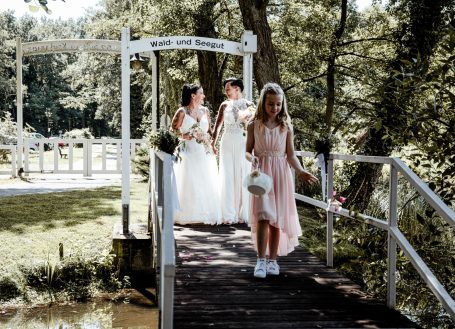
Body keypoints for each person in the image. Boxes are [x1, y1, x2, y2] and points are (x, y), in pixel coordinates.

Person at [245, 82, 318, 278]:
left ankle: (273, 261)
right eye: (271, 104)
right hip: (262, 174)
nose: (274, 108)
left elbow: (291, 155)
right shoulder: (253, 125)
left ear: (282, 104)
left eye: (278, 104)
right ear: (263, 103)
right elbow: (247, 150)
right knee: (263, 217)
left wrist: (301, 171)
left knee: (276, 218)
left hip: (280, 173)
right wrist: (252, 158)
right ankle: (260, 260)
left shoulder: (286, 126)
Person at [171, 83, 222, 225]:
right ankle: (188, 214)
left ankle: (205, 213)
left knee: (206, 180)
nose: (203, 96)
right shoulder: (182, 112)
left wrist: (213, 145)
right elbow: (172, 130)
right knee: (190, 181)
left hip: (204, 152)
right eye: (201, 93)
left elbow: (210, 131)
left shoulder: (205, 111)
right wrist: (183, 135)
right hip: (187, 151)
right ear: (193, 96)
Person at [211, 77, 255, 224]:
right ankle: (229, 213)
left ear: (237, 88)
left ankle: (243, 213)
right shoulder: (224, 105)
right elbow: (217, 126)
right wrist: (212, 143)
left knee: (243, 174)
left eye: (228, 89)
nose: (226, 92)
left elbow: (253, 127)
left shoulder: (249, 105)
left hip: (243, 142)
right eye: (225, 89)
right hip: (227, 141)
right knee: (228, 175)